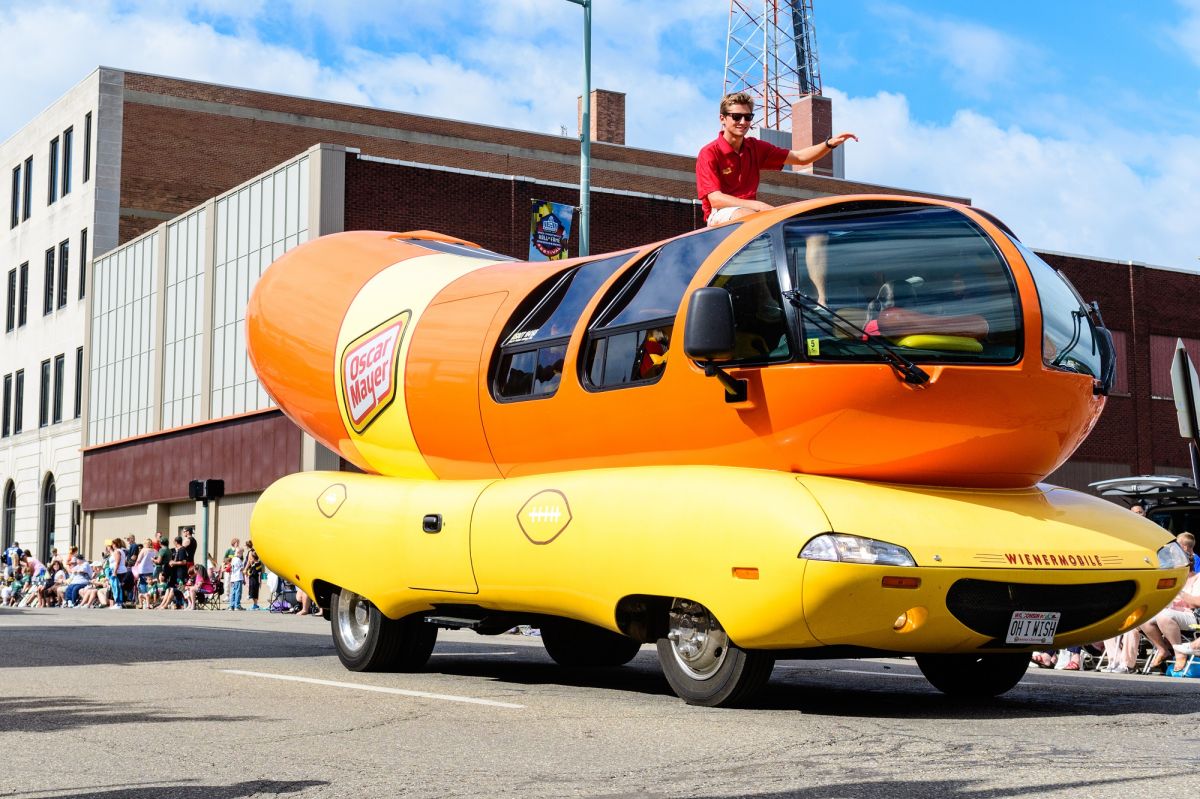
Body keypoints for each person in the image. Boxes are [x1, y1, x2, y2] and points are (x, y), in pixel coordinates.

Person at [696, 91, 857, 227]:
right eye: (736, 117)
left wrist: (829, 144)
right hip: (721, 215)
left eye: (748, 117)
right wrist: (758, 205)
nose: (743, 122)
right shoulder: (709, 153)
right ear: (722, 118)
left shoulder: (755, 147)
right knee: (754, 219)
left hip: (751, 212)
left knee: (800, 228)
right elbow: (716, 200)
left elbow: (800, 157)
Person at [244, 540, 263, 611]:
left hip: (253, 574)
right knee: (254, 587)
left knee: (253, 587)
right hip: (254, 574)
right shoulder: (254, 552)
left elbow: (249, 561)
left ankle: (254, 602)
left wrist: (246, 569)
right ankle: (254, 603)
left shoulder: (251, 552)